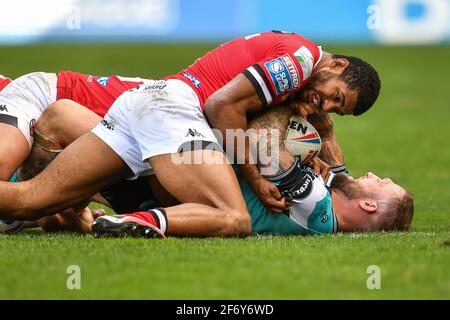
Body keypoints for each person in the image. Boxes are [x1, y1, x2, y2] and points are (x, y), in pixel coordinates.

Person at [0, 31, 381, 238]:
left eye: (336, 109)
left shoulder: (298, 71)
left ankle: (130, 211)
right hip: (173, 110)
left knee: (28, 202)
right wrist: (252, 176)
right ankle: (143, 220)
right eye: (335, 97)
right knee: (234, 218)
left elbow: (247, 114)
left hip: (146, 106)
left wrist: (334, 154)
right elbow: (221, 107)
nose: (325, 106)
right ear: (338, 65)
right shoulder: (300, 60)